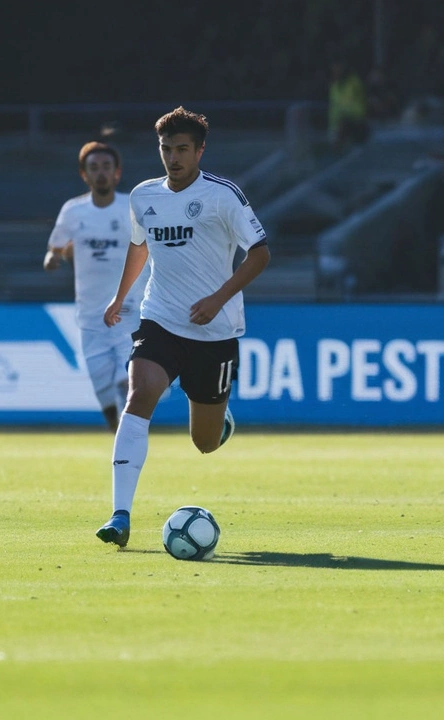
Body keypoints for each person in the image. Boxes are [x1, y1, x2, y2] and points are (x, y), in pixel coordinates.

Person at [95, 107, 271, 547]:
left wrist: (219, 298)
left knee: (205, 444)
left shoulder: (222, 196)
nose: (172, 158)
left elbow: (261, 253)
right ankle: (120, 516)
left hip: (215, 331)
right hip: (161, 320)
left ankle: (220, 419)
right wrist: (120, 298)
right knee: (138, 395)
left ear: (200, 151)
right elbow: (140, 247)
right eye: (166, 149)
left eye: (182, 150)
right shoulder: (143, 196)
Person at [43, 141, 148, 431]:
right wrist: (54, 258)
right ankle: (119, 430)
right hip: (90, 314)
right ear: (84, 175)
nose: (100, 173)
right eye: (94, 168)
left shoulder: (132, 207)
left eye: (106, 167)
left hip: (128, 307)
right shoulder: (73, 211)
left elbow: (151, 245)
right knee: (102, 385)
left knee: (127, 377)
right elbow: (54, 249)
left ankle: (133, 426)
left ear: (117, 173)